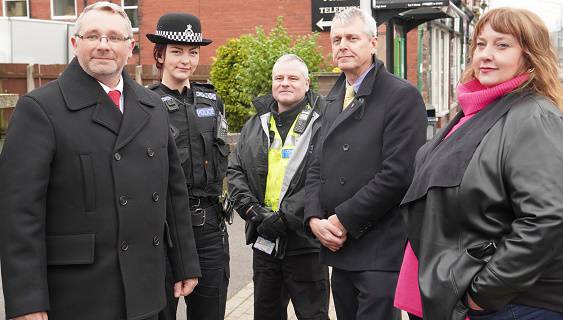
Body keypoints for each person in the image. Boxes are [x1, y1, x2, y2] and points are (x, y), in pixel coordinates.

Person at [0, 2, 201, 320]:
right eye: (92, 35)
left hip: (148, 284)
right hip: (79, 292)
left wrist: (185, 261)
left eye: (114, 37)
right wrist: (27, 300)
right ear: (75, 43)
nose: (103, 45)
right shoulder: (40, 109)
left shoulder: (152, 106)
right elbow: (20, 215)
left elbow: (174, 192)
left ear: (130, 46)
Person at [400, 7, 563, 320]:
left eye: (502, 45)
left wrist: (482, 293)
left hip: (513, 304)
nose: (486, 54)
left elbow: (547, 217)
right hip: (462, 294)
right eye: (481, 44)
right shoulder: (476, 112)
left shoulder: (533, 117)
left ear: (530, 56)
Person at [303, 7, 427, 320]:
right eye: (336, 39)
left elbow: (398, 175)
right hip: (339, 249)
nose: (342, 45)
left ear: (372, 43)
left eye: (352, 38)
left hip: (379, 251)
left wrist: (342, 220)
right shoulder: (332, 99)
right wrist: (314, 218)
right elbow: (316, 166)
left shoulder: (401, 95)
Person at [228, 54, 330, 320]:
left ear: (307, 83)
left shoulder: (323, 123)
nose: (285, 83)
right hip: (265, 239)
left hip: (305, 241)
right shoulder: (256, 124)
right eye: (279, 78)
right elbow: (235, 170)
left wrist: (287, 217)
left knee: (313, 314)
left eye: (293, 78)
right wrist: (252, 211)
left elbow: (324, 177)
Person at [146, 13, 230, 320]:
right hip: (164, 227)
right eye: (177, 51)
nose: (186, 60)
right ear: (160, 54)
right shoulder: (145, 104)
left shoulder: (211, 100)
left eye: (193, 52)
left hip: (208, 225)